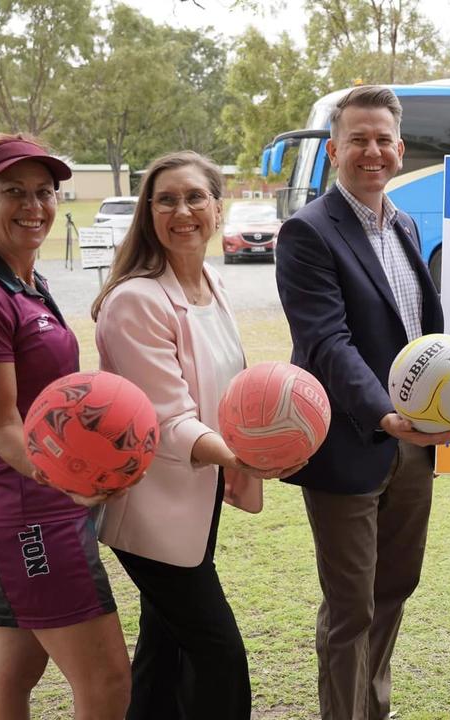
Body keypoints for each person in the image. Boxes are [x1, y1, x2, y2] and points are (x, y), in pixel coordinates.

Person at [91, 150, 295, 720]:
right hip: (150, 512)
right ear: (148, 213)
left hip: (195, 504)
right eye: (167, 200)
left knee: (163, 649)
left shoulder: (210, 283)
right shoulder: (136, 300)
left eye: (195, 197)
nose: (183, 211)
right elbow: (168, 419)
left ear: (217, 206)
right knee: (218, 652)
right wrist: (246, 457)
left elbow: (229, 391)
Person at [0, 133, 131, 720]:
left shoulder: (22, 280)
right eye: (13, 192)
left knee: (15, 673)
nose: (34, 206)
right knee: (108, 681)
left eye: (44, 192)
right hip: (32, 517)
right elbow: (1, 426)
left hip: (26, 508)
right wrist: (73, 482)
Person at [275, 85, 450, 720]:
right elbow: (326, 341)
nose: (372, 151)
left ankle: (370, 708)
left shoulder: (405, 224)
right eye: (358, 139)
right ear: (334, 150)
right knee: (351, 604)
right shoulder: (306, 232)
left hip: (413, 449)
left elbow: (423, 335)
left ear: (400, 150)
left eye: (383, 139)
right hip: (351, 443)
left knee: (394, 589)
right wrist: (385, 413)